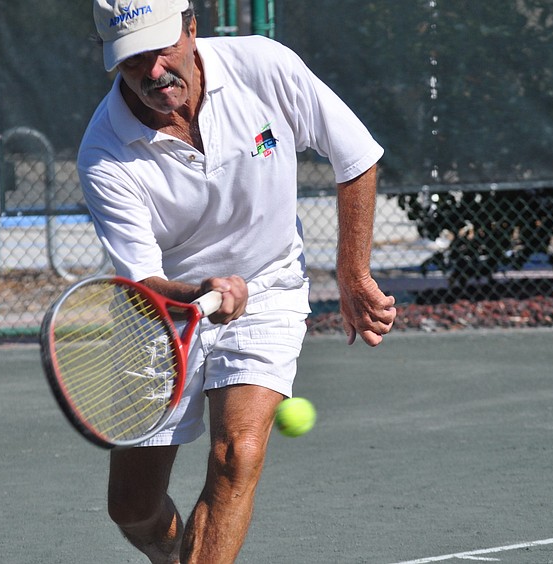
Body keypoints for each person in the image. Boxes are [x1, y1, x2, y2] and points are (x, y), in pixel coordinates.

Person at [77, 1, 397, 561]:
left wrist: (352, 274)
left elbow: (356, 155)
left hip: (269, 285)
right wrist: (203, 292)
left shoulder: (264, 67)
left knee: (236, 455)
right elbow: (146, 281)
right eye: (132, 61)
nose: (153, 72)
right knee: (132, 507)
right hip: (162, 311)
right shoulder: (104, 153)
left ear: (192, 29)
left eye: (161, 49)